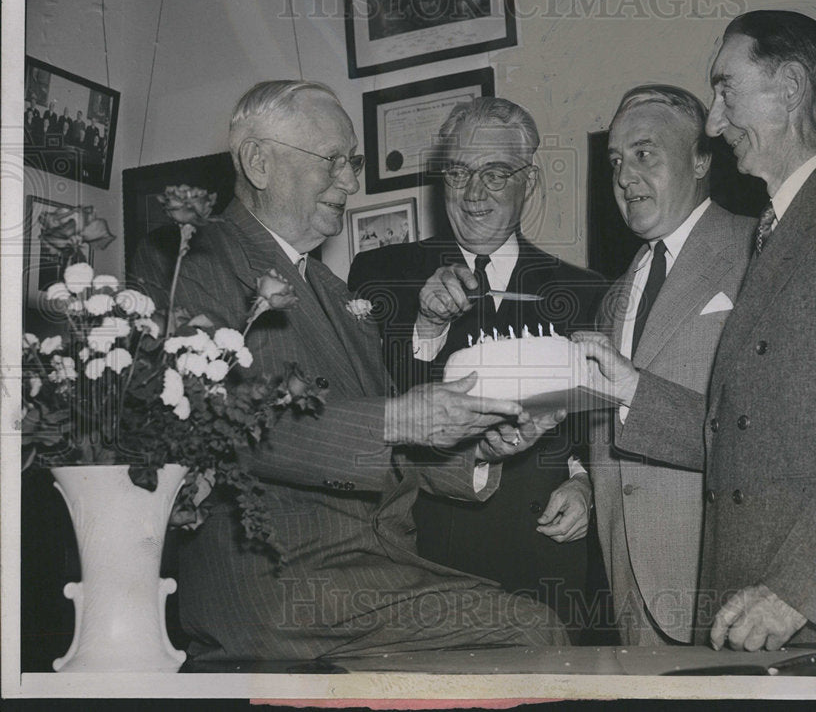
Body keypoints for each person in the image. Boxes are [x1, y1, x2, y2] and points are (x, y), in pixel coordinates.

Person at [130, 81, 571, 662]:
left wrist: (481, 448)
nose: (350, 181)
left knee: (533, 623)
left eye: (354, 162)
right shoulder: (192, 257)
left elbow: (388, 442)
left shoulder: (337, 293)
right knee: (533, 632)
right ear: (259, 162)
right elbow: (228, 421)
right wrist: (402, 417)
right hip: (284, 586)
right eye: (332, 161)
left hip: (368, 575)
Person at [578, 11, 816, 653]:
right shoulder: (775, 233)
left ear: (792, 87)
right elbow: (745, 437)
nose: (715, 122)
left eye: (726, 90)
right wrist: (634, 389)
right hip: (751, 620)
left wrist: (795, 592)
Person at [349, 97, 607, 637]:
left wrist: (587, 486)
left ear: (528, 181)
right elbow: (367, 408)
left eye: (494, 173)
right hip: (425, 557)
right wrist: (427, 327)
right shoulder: (380, 272)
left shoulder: (584, 291)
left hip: (546, 553)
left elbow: (598, 427)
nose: (473, 194)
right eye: (459, 172)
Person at [591, 85, 754, 645]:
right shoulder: (615, 294)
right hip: (631, 589)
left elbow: (766, 431)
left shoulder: (760, 250)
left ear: (702, 159)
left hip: (728, 585)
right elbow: (611, 432)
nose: (624, 176)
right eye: (615, 161)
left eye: (644, 153)